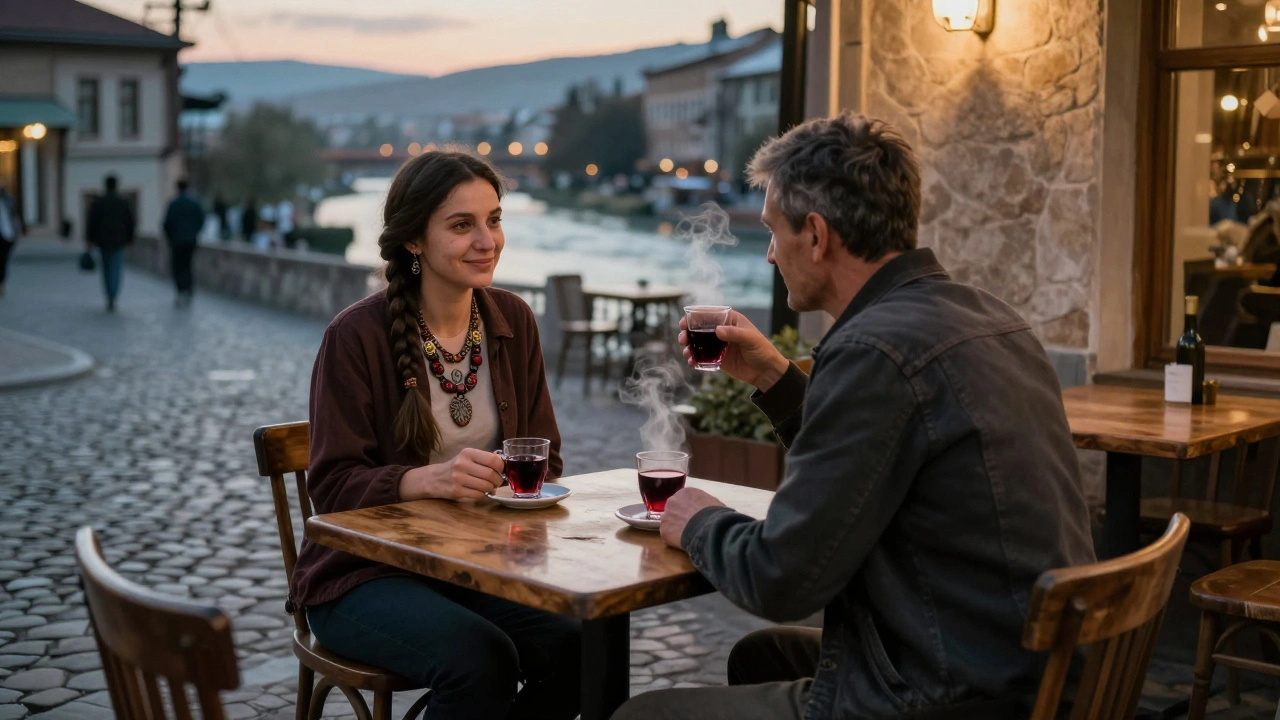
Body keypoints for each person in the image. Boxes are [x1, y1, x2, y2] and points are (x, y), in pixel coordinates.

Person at [612, 112, 1095, 720]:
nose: (768, 254)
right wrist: (774, 377)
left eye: (773, 231)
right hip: (1021, 665)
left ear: (815, 235)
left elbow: (783, 579)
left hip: (949, 694)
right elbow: (883, 450)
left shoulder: (872, 351)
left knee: (640, 716)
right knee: (761, 657)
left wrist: (701, 520)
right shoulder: (989, 317)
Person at [291, 149, 580, 720]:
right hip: (360, 575)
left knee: (583, 646)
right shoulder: (356, 336)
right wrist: (428, 480)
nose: (487, 241)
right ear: (414, 241)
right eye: (461, 225)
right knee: (478, 660)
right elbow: (332, 486)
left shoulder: (513, 321)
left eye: (494, 220)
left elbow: (547, 459)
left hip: (471, 563)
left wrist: (513, 484)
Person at [85, 175, 135, 312]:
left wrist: (89, 239)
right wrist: (130, 240)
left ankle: (109, 295)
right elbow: (130, 223)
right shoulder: (123, 202)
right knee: (115, 268)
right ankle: (113, 295)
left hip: (103, 240)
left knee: (106, 269)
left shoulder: (98, 202)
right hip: (119, 240)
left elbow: (91, 222)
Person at [163, 179, 204, 307]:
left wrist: (171, 238)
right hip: (190, 240)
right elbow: (201, 219)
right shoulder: (194, 203)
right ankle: (188, 289)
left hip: (177, 241)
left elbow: (167, 223)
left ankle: (181, 290)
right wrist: (194, 233)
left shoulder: (174, 204)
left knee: (178, 267)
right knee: (187, 265)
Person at [0, 176, 23, 298]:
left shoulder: (8, 199)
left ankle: (1, 282)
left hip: (6, 234)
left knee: (3, 260)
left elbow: (14, 216)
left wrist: (17, 232)